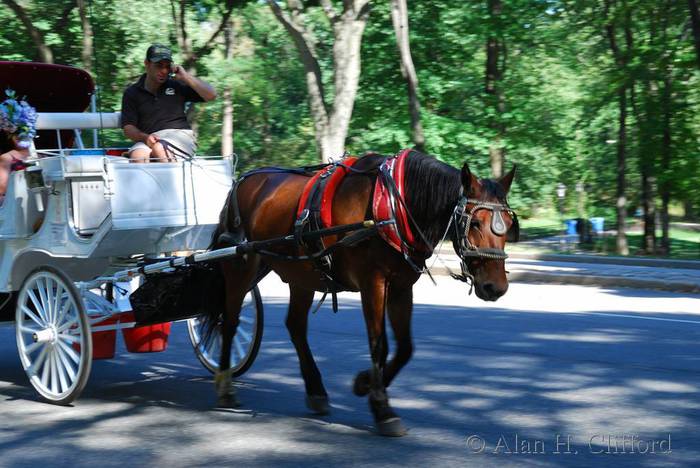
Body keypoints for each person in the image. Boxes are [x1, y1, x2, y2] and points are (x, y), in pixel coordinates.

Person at [121, 44, 216, 163]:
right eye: (159, 66)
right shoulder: (132, 92)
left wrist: (185, 77)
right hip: (148, 138)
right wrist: (145, 137)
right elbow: (128, 128)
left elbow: (211, 95)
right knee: (138, 156)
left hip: (180, 136)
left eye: (167, 67)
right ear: (147, 63)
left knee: (159, 149)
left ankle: (175, 181)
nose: (164, 71)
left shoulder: (177, 85)